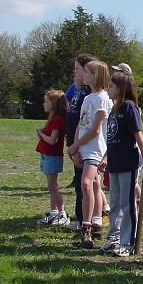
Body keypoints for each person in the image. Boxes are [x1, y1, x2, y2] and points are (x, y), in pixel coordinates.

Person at [100, 70, 143, 257]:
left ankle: (128, 242)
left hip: (128, 162)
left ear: (121, 88)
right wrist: (105, 157)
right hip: (114, 163)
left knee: (127, 203)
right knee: (114, 203)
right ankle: (113, 238)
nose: (108, 89)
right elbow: (112, 136)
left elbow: (137, 133)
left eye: (112, 86)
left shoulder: (129, 107)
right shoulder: (114, 109)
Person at [68, 60, 112, 248]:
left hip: (95, 148)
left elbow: (95, 130)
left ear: (95, 75)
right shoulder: (88, 98)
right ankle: (95, 222)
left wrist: (76, 145)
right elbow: (81, 124)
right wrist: (75, 148)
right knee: (93, 184)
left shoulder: (103, 98)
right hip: (83, 148)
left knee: (85, 183)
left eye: (86, 71)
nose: (82, 75)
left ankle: (86, 228)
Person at [66, 53, 97, 228]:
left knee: (83, 183)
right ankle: (84, 216)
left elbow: (87, 123)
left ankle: (84, 219)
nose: (75, 71)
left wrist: (77, 145)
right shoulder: (77, 89)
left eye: (78, 68)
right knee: (80, 182)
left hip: (83, 145)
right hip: (74, 142)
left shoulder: (89, 93)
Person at [35, 89, 69, 226]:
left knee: (52, 187)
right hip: (46, 155)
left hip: (52, 157)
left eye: (46, 101)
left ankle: (62, 213)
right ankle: (53, 212)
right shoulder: (53, 119)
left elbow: (52, 140)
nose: (44, 104)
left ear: (54, 103)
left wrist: (41, 134)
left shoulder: (57, 120)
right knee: (51, 186)